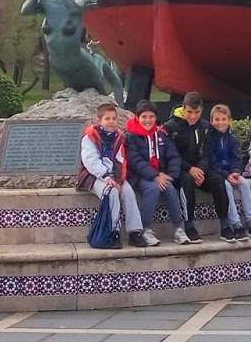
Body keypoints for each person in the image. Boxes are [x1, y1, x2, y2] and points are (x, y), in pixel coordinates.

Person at [79, 102, 146, 246]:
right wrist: (106, 177)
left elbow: (120, 160)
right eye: (107, 119)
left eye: (114, 118)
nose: (111, 122)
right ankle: (112, 231)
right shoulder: (90, 136)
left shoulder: (119, 137)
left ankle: (135, 231)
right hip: (94, 176)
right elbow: (90, 161)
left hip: (114, 175)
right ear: (99, 121)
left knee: (128, 192)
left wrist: (119, 179)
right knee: (111, 192)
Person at [167, 92, 227, 243]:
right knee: (187, 181)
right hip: (179, 170)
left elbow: (207, 153)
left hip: (199, 169)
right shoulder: (170, 127)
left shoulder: (205, 127)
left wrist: (201, 170)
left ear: (202, 110)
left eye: (197, 112)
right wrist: (190, 169)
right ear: (183, 108)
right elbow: (172, 154)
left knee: (218, 180)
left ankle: (225, 224)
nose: (193, 116)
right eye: (189, 112)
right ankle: (189, 225)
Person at [125, 101, 188, 243]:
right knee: (152, 189)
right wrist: (155, 175)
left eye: (151, 116)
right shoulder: (131, 136)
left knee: (169, 187)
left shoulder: (161, 134)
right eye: (144, 117)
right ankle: (145, 229)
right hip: (139, 175)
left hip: (160, 174)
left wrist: (171, 175)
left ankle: (178, 228)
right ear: (137, 117)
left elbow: (173, 155)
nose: (148, 120)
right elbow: (135, 160)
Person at [210, 104, 251, 241]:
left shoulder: (233, 140)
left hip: (231, 172)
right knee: (226, 187)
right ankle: (236, 224)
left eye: (224, 119)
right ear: (211, 121)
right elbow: (211, 161)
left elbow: (237, 158)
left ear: (229, 121)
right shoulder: (209, 139)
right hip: (219, 174)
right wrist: (226, 175)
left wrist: (235, 171)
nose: (220, 122)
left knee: (244, 184)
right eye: (217, 119)